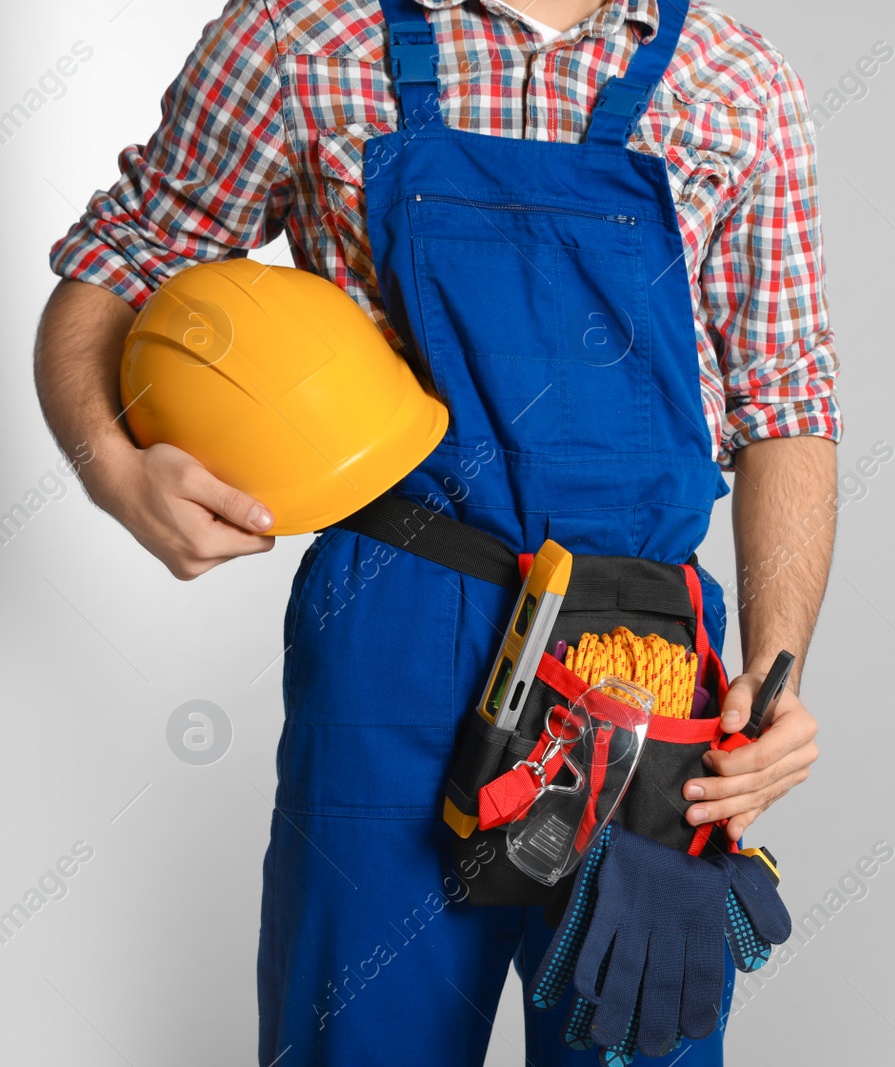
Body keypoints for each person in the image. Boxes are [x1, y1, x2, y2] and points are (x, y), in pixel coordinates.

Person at [32, 0, 835, 1063]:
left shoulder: (738, 83)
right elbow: (118, 261)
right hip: (397, 626)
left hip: (642, 663)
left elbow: (785, 400)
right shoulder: (303, 33)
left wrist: (772, 674)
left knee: (637, 1029)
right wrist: (115, 472)